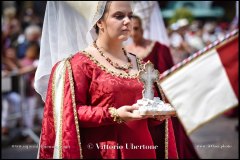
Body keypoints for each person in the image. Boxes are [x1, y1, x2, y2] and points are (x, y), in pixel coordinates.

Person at [35, 1, 178, 159]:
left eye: (130, 16)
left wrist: (157, 116)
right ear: (99, 22)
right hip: (104, 151)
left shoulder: (141, 64)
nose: (127, 21)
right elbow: (70, 113)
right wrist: (114, 114)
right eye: (119, 16)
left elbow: (151, 118)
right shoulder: (79, 65)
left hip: (143, 148)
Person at [126, 15, 199, 159]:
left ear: (142, 28)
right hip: (138, 102)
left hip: (161, 102)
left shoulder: (159, 48)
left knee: (167, 138)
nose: (133, 33)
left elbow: (170, 75)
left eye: (136, 28)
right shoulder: (124, 52)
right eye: (130, 29)